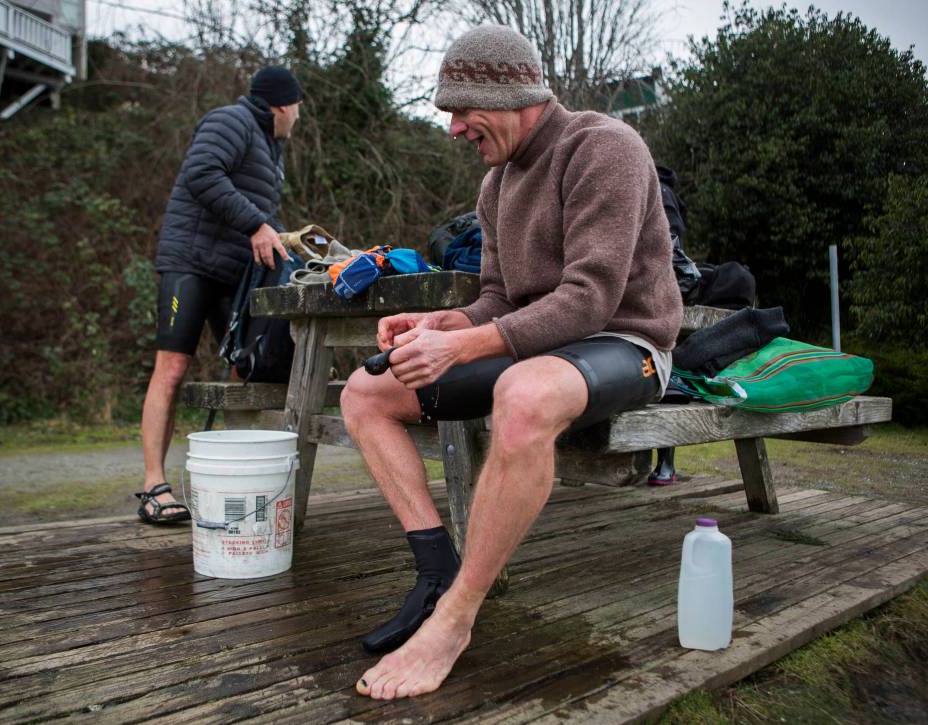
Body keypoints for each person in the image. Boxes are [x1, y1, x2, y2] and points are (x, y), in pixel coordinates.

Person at [340, 25, 683, 698]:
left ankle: (456, 615)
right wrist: (446, 322)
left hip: (627, 344)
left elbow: (589, 299)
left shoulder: (604, 148)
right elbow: (498, 299)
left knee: (522, 397)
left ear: (508, 93)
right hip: (538, 348)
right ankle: (436, 570)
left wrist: (463, 344)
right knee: (363, 392)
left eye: (460, 109)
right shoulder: (496, 186)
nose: (452, 128)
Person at [136, 66, 302, 524]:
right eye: (298, 108)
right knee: (172, 367)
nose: (298, 117)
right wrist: (256, 225)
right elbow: (202, 174)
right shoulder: (229, 121)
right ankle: (154, 485)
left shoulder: (272, 150)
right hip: (189, 264)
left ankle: (235, 473)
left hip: (235, 274)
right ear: (283, 105)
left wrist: (294, 244)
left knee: (245, 365)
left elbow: (262, 215)